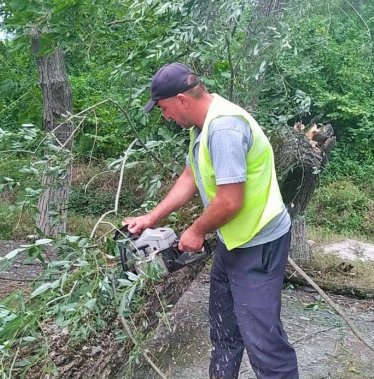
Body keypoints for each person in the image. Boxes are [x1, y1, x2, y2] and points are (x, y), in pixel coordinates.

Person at [127, 62, 299, 379]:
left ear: (181, 99)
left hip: (258, 244)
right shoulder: (202, 126)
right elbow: (191, 175)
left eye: (164, 109)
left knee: (264, 345)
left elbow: (230, 201)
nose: (165, 117)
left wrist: (195, 230)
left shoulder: (224, 129)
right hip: (232, 240)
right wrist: (151, 218)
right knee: (224, 332)